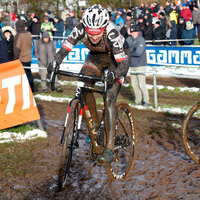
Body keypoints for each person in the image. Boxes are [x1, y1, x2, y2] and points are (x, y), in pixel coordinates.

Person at [47, 4, 130, 165]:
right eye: (90, 34)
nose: (93, 37)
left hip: (117, 60)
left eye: (97, 34)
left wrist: (113, 75)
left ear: (103, 27)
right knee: (83, 86)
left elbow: (122, 66)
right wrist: (55, 62)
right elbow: (65, 49)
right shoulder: (80, 28)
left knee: (110, 98)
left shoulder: (111, 32)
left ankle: (110, 149)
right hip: (96, 57)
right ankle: (96, 124)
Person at [126, 24, 149, 106]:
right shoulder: (128, 39)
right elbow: (125, 50)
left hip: (140, 65)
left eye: (135, 32)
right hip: (132, 65)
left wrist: (129, 51)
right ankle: (138, 101)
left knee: (142, 84)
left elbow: (138, 52)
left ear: (138, 32)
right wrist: (132, 49)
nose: (133, 33)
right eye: (132, 32)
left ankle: (146, 101)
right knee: (134, 85)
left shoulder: (141, 40)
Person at [14, 19, 34, 92]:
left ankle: (24, 90)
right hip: (29, 57)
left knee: (22, 75)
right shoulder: (28, 34)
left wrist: (15, 58)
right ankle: (31, 89)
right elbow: (30, 44)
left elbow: (17, 48)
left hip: (21, 58)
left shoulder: (19, 35)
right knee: (29, 74)